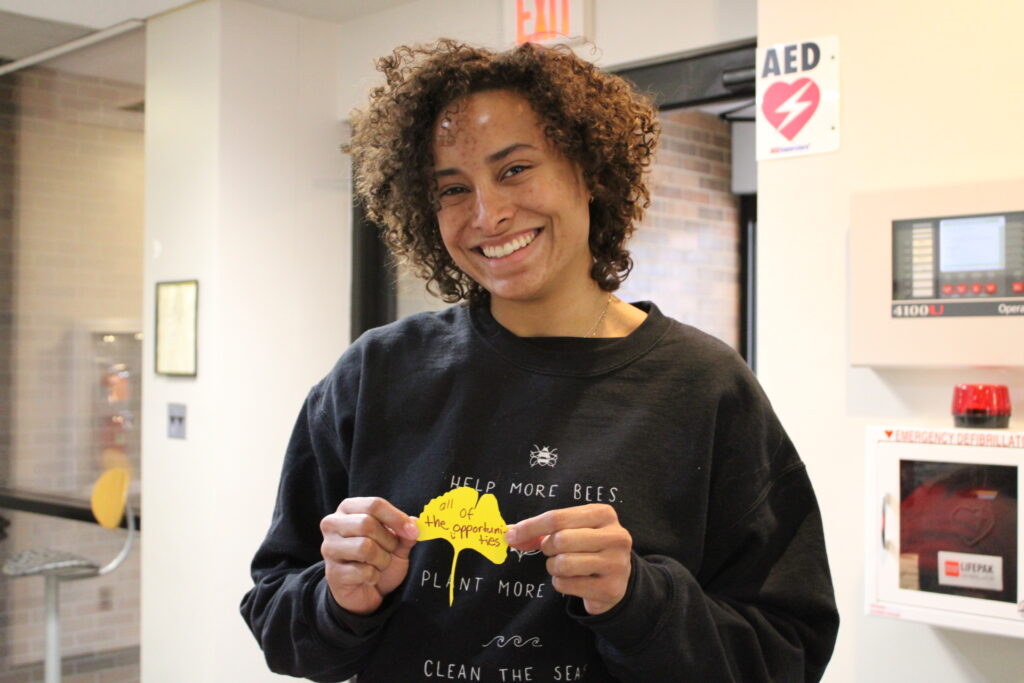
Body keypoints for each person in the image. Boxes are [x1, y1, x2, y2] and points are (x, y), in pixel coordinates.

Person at [240, 39, 839, 682]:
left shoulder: (705, 388)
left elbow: (789, 653)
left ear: (591, 171)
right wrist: (338, 603)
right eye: (451, 188)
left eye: (515, 169)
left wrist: (639, 601)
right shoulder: (375, 376)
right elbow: (279, 622)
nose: (488, 214)